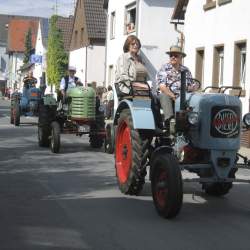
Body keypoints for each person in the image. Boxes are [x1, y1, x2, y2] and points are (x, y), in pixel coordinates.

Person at [156, 45, 193, 127]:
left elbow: (191, 85)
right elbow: (162, 87)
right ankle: (170, 122)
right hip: (168, 95)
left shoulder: (186, 70)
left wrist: (193, 87)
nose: (173, 57)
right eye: (171, 55)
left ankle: (193, 122)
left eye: (175, 56)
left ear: (181, 58)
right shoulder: (164, 69)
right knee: (164, 96)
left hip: (183, 96)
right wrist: (174, 97)